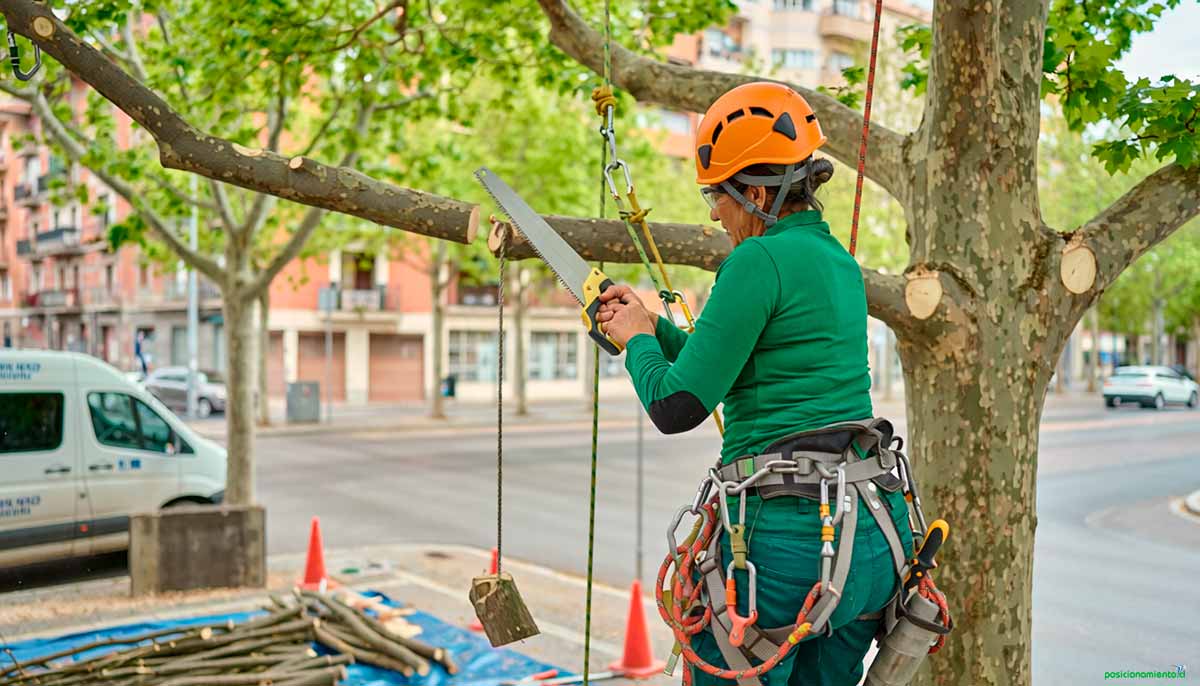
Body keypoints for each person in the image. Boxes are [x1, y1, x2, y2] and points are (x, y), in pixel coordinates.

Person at [595, 82, 914, 686]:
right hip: (869, 536)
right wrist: (651, 329)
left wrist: (635, 341)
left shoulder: (755, 261)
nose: (714, 212)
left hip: (785, 547)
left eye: (717, 194)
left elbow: (677, 404)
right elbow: (728, 365)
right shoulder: (838, 264)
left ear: (760, 193)